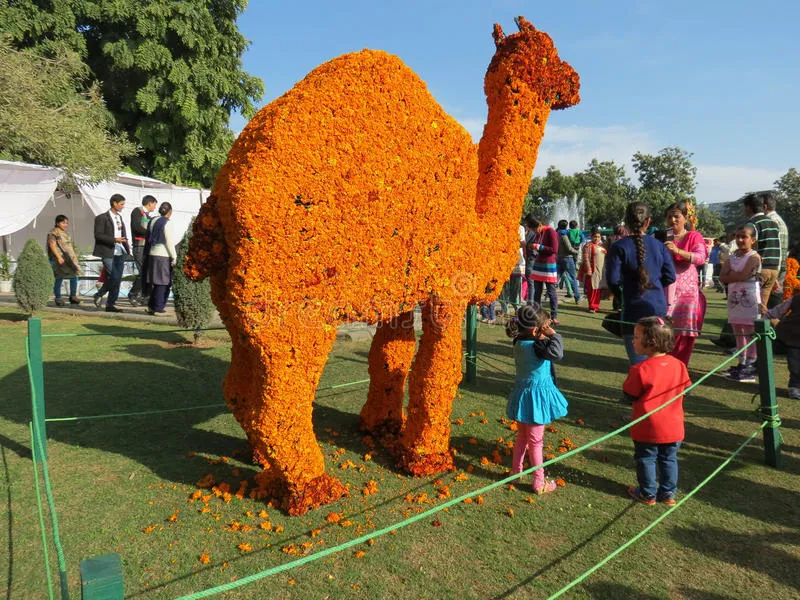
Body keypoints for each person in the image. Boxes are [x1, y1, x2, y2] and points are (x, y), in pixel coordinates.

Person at [623, 316, 691, 505]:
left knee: (646, 458)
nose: (632, 340)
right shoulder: (679, 365)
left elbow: (630, 393)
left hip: (647, 427)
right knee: (669, 459)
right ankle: (668, 494)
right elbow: (687, 389)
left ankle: (648, 494)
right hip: (674, 426)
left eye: (636, 337)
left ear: (650, 343)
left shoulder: (640, 369)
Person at [505, 304, 568, 495]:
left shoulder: (518, 341)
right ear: (535, 330)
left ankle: (516, 472)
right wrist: (554, 335)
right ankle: (539, 481)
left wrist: (543, 333)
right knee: (536, 441)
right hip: (536, 399)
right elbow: (557, 353)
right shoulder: (539, 346)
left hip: (523, 395)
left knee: (522, 438)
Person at [606, 202, 676, 365]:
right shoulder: (659, 246)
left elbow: (613, 280)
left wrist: (621, 294)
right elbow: (670, 276)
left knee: (639, 366)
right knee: (658, 365)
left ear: (627, 221)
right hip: (657, 309)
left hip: (632, 310)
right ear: (648, 221)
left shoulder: (619, 247)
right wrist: (654, 285)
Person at [663, 201, 707, 367]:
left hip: (687, 294)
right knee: (663, 330)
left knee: (683, 334)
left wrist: (677, 251)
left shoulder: (693, 236)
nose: (672, 220)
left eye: (676, 216)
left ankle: (679, 368)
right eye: (669, 217)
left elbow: (701, 258)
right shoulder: (663, 236)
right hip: (666, 290)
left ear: (686, 218)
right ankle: (664, 366)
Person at [719, 224, 761, 383]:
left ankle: (751, 365)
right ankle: (741, 362)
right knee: (737, 329)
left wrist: (733, 275)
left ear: (753, 240)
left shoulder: (754, 257)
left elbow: (743, 275)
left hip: (749, 298)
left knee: (749, 330)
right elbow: (723, 276)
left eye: (744, 237)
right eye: (738, 236)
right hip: (734, 298)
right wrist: (734, 275)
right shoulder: (732, 256)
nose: (740, 240)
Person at [92, 194, 130, 313]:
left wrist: (127, 247)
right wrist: (114, 240)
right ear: (114, 203)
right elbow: (98, 235)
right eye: (121, 204)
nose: (123, 206)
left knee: (117, 279)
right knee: (113, 277)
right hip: (108, 251)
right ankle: (100, 294)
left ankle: (110, 304)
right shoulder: (101, 218)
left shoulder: (119, 217)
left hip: (120, 251)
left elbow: (123, 234)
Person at [742, 191, 781, 308]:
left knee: (754, 306)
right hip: (773, 270)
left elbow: (748, 247)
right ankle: (772, 324)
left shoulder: (752, 223)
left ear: (748, 207)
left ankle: (780, 325)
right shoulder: (773, 223)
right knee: (762, 306)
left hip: (760, 269)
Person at [762, 288, 800, 400]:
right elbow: (776, 312)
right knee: (796, 365)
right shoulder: (796, 299)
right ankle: (795, 387)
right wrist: (762, 323)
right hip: (794, 338)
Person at [524, 214, 560, 324]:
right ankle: (537, 313)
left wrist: (538, 247)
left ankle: (554, 315)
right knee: (537, 291)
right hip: (538, 264)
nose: (534, 231)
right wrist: (533, 247)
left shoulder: (551, 231)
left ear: (539, 225)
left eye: (535, 229)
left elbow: (554, 249)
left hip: (549, 265)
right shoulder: (539, 233)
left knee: (551, 291)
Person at [145, 202, 177, 315]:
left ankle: (151, 306)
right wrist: (174, 257)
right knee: (163, 282)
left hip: (152, 253)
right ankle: (158, 307)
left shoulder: (153, 220)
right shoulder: (167, 223)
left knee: (156, 282)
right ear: (170, 212)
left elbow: (148, 236)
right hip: (163, 255)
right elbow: (169, 242)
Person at [129, 195, 158, 306]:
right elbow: (136, 227)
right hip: (139, 246)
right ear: (150, 203)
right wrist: (150, 233)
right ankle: (133, 294)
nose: (155, 207)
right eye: (154, 204)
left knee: (147, 273)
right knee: (142, 272)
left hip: (146, 246)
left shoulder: (147, 215)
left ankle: (144, 296)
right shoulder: (137, 211)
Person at [46, 215, 81, 306]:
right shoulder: (53, 233)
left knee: (74, 276)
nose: (65, 225)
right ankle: (58, 298)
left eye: (66, 223)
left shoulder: (66, 234)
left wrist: (74, 256)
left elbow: (70, 246)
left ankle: (73, 297)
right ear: (57, 223)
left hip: (68, 258)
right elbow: (52, 245)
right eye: (63, 223)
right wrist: (58, 257)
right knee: (59, 277)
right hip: (59, 259)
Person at [764, 191, 789, 301]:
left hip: (773, 267)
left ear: (764, 207)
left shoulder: (770, 221)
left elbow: (773, 248)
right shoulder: (779, 220)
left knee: (770, 301)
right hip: (781, 266)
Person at [579, 227, 606, 313]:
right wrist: (589, 271)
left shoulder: (601, 247)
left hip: (600, 272)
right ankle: (592, 306)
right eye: (595, 236)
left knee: (598, 289)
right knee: (592, 290)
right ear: (591, 236)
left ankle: (596, 306)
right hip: (592, 272)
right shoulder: (588, 246)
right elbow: (586, 259)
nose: (597, 238)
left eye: (598, 237)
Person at [555, 219, 580, 303]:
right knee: (573, 278)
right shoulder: (563, 235)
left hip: (559, 258)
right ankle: (577, 297)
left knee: (556, 278)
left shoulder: (556, 234)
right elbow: (569, 248)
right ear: (565, 226)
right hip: (567, 258)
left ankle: (548, 293)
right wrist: (576, 252)